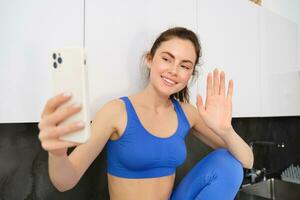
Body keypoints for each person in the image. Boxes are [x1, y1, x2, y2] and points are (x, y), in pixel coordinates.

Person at [38, 27, 254, 200]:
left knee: (229, 163)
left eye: (184, 66)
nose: (173, 70)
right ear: (150, 59)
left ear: (190, 74)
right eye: (167, 59)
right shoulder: (117, 112)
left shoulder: (187, 113)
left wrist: (225, 131)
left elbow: (247, 161)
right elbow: (65, 181)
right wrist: (57, 154)